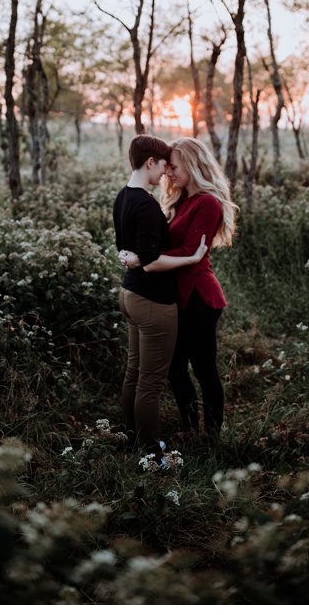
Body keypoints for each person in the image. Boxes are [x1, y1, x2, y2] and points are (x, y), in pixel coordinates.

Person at [121, 137, 237, 438]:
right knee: (174, 369)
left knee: (204, 370)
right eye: (167, 167)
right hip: (176, 298)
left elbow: (189, 252)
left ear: (192, 165)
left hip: (199, 298)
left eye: (174, 167)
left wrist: (144, 258)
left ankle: (211, 435)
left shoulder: (208, 203)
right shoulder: (182, 199)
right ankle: (189, 428)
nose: (169, 173)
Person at [112, 135, 208, 466]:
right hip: (153, 301)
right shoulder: (147, 205)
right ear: (149, 162)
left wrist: (136, 258)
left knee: (134, 372)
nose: (165, 173)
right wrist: (191, 257)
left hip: (129, 294)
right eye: (163, 166)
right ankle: (151, 450)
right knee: (150, 381)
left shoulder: (122, 197)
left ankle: (128, 436)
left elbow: (127, 251)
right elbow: (152, 261)